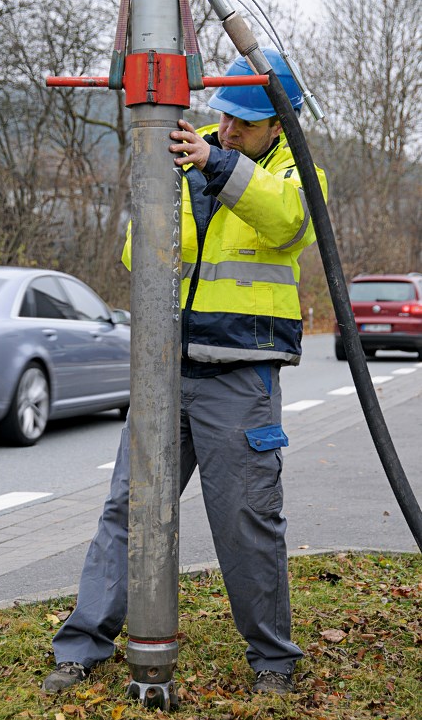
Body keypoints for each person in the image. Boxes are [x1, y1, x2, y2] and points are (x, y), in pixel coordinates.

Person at [42, 48, 328, 697]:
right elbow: (132, 249)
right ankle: (83, 644)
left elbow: (288, 221)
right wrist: (168, 182)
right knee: (129, 510)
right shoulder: (180, 152)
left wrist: (217, 166)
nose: (226, 130)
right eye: (223, 117)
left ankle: (273, 661)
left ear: (279, 125)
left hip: (241, 375)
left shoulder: (298, 171)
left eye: (244, 124)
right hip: (164, 368)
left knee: (247, 518)